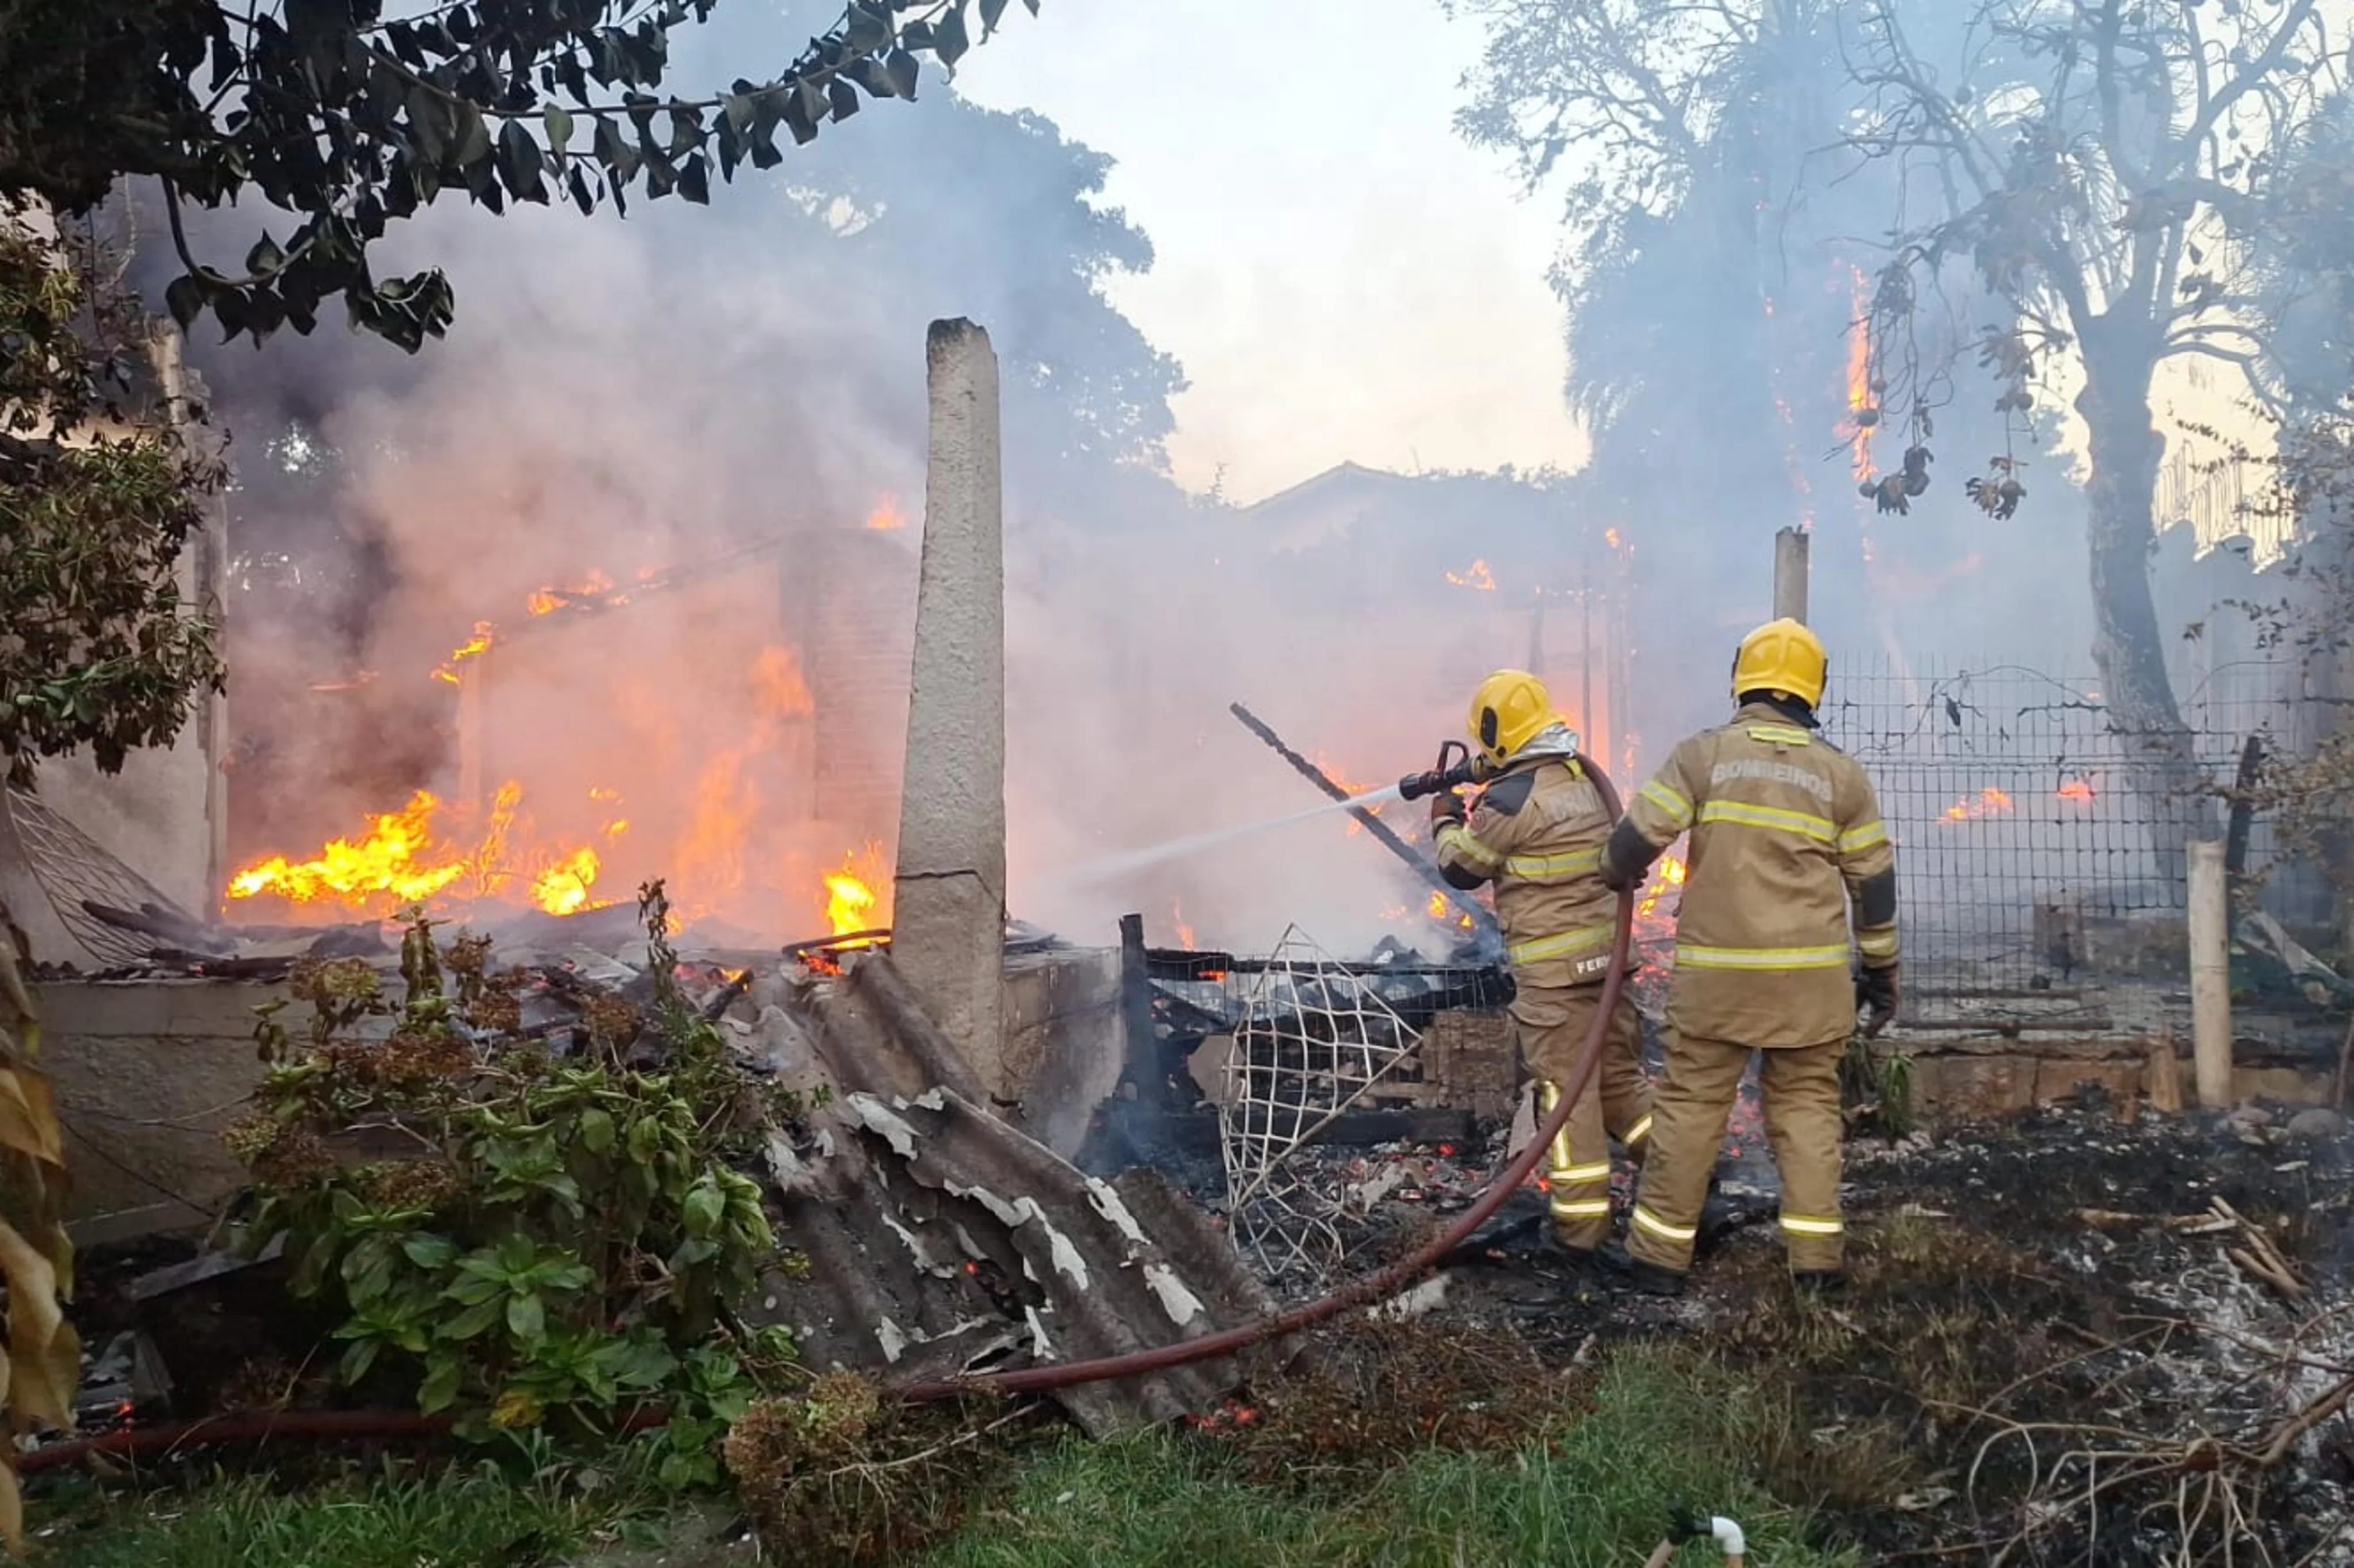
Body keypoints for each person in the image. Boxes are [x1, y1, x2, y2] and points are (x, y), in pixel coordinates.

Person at [1596, 618, 1899, 1295]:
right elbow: (1874, 883)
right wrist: (1882, 971)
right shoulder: (1841, 776)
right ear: (1812, 688)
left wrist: (1612, 870)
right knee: (1807, 1111)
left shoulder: (1703, 758)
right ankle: (1816, 1263)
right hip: (1810, 989)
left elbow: (1635, 840)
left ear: (1743, 677)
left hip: (1718, 987)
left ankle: (1658, 1261)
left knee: (1689, 1108)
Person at [1431, 669, 1653, 1259]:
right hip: (1609, 967)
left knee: (1567, 1096)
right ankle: (1684, 1172)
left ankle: (1581, 1233)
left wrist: (1443, 819)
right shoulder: (1582, 778)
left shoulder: (1509, 801)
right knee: (1620, 1082)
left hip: (1556, 984)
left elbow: (1461, 869)